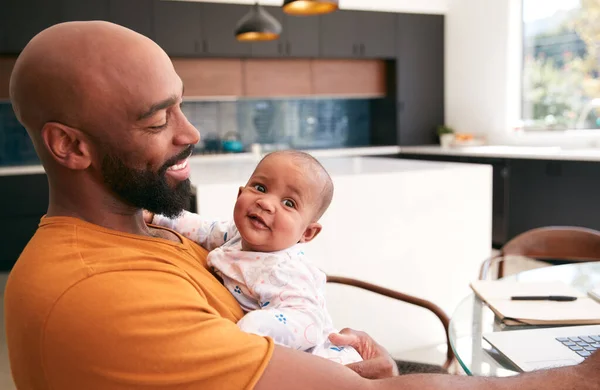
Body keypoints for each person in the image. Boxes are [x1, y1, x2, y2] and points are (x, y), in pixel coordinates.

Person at [4, 20, 600, 390]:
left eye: (181, 107)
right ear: (70, 146)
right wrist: (577, 380)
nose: (190, 135)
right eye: (159, 119)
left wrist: (344, 361)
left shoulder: (148, 230)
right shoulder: (98, 293)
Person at [147, 150, 362, 364]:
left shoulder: (285, 271)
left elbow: (309, 323)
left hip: (321, 365)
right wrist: (154, 216)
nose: (266, 203)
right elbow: (201, 228)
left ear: (307, 233)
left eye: (289, 203)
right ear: (240, 194)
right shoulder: (234, 235)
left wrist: (249, 330)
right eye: (260, 188)